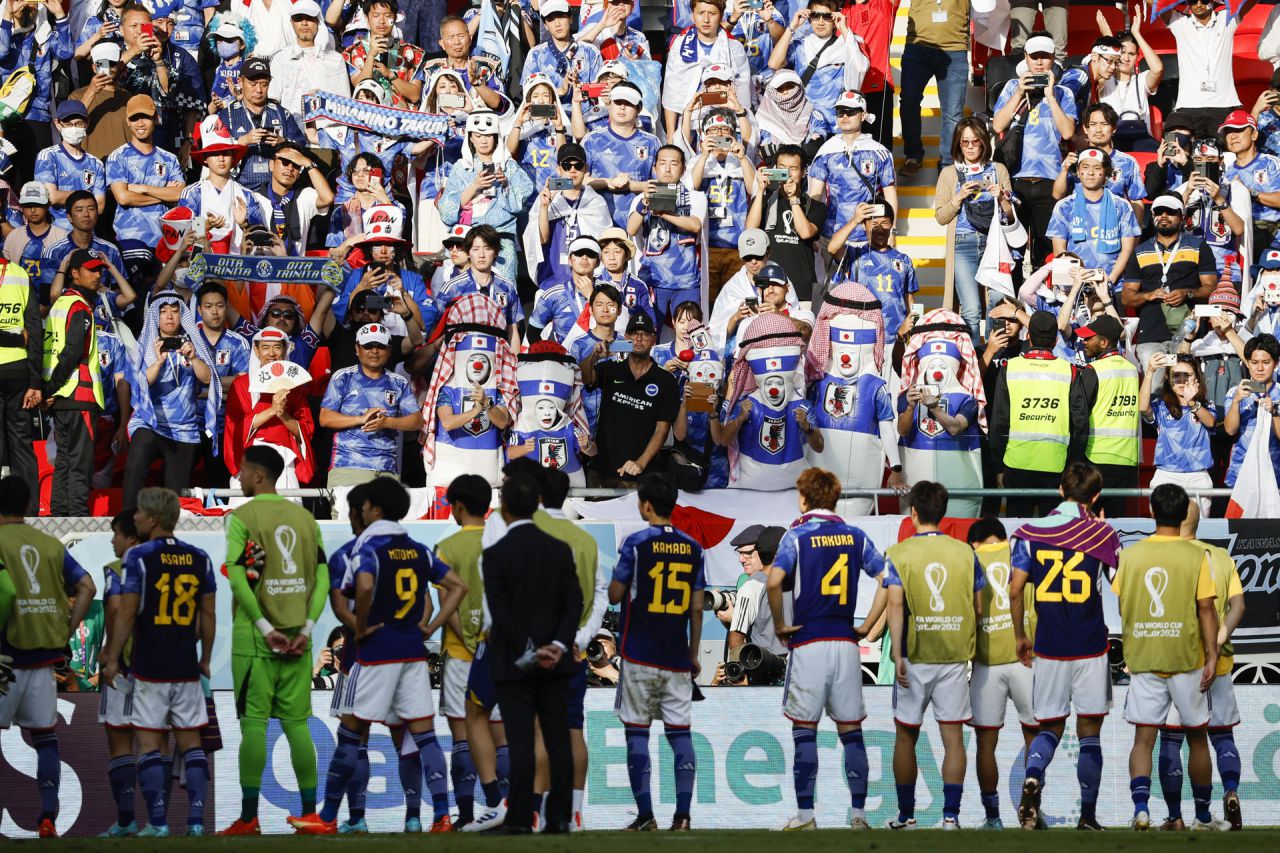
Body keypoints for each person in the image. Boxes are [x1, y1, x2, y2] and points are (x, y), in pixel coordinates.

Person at [291, 476, 467, 834]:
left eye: (359, 509)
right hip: (413, 654)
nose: (356, 514)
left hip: (372, 655)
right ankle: (440, 816)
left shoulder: (361, 550)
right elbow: (456, 588)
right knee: (423, 736)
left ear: (372, 509)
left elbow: (357, 590)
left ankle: (330, 817)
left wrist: (360, 624)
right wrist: (430, 629)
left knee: (351, 735)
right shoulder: (419, 549)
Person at [765, 468, 883, 830]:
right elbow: (889, 580)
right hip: (846, 644)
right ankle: (859, 816)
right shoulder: (855, 535)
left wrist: (782, 625)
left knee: (805, 730)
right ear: (835, 498)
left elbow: (773, 583)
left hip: (810, 642)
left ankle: (805, 817)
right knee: (851, 732)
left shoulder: (796, 536)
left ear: (804, 499)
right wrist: (865, 626)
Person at [1008, 462, 1121, 831]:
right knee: (1090, 732)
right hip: (1090, 646)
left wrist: (1020, 636)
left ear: (1060, 491)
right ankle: (1087, 816)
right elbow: (1119, 587)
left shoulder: (1030, 531)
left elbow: (1014, 588)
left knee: (1050, 728)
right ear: (1096, 496)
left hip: (1050, 646)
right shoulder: (1102, 534)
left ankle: (1035, 772)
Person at [221, 446, 328, 835]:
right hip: (300, 641)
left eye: (243, 471)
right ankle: (310, 814)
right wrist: (305, 629)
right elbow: (323, 580)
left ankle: (249, 819)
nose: (240, 478)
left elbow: (236, 576)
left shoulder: (242, 517)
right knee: (297, 725)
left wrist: (267, 629)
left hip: (255, 642)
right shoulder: (305, 518)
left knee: (253, 725)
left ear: (259, 475)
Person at [99, 487, 215, 837]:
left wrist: (114, 658)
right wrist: (205, 658)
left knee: (149, 744)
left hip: (149, 666)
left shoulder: (137, 558)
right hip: (185, 665)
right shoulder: (200, 557)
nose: (134, 517)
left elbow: (127, 610)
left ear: (152, 519)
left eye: (140, 513)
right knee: (191, 744)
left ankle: (159, 823)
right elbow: (207, 615)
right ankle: (195, 822)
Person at [1113, 483, 1221, 831]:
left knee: (1144, 738)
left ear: (1151, 512)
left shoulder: (1130, 555)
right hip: (1186, 658)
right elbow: (1207, 609)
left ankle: (1141, 809)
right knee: (1197, 737)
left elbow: (1122, 604)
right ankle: (1202, 817)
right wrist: (1212, 654)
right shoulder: (1196, 556)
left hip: (1145, 656)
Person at [482, 473, 583, 834]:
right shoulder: (559, 549)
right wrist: (556, 645)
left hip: (514, 662)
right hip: (556, 663)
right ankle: (559, 818)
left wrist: (529, 647)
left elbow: (499, 611)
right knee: (558, 740)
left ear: (504, 508)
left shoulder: (495, 554)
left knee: (521, 741)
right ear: (538, 504)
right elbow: (574, 603)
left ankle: (522, 818)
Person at [0, 475, 96, 839]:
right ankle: (47, 818)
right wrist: (66, 632)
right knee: (45, 741)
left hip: (4, 659)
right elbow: (87, 586)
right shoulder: (50, 544)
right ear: (28, 507)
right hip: (42, 660)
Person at [883, 481, 982, 830]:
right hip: (955, 654)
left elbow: (895, 604)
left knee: (906, 734)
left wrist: (896, 653)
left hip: (914, 655)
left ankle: (906, 815)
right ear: (943, 513)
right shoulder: (966, 553)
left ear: (913, 513)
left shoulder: (899, 553)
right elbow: (979, 606)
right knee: (952, 737)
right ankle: (951, 816)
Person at [609, 472, 705, 831]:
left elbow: (616, 595)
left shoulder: (635, 544)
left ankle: (646, 815)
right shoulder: (692, 548)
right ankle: (682, 817)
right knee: (680, 735)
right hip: (677, 658)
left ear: (646, 505)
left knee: (637, 734)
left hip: (638, 655)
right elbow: (697, 608)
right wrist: (694, 653)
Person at [1158, 500, 1246, 831]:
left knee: (1172, 740)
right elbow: (1238, 605)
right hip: (1219, 661)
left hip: (1179, 663)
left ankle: (1175, 816)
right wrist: (1219, 638)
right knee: (1222, 737)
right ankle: (1232, 792)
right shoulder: (1220, 557)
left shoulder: (1166, 557)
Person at [537, 468, 609, 831]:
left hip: (535, 649)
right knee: (572, 730)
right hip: (573, 649)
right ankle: (575, 812)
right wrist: (580, 640)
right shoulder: (584, 540)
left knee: (537, 732)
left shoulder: (528, 533)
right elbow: (599, 596)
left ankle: (541, 811)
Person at [966, 517, 1036, 830]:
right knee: (1034, 738)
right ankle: (1031, 812)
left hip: (986, 663)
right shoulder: (1021, 553)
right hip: (1026, 660)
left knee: (985, 744)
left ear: (974, 542)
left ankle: (992, 816)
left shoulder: (969, 559)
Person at [990, 310, 1091, 518]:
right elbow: (1080, 424)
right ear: (1055, 340)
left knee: (1018, 534)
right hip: (1056, 466)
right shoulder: (1070, 370)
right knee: (1053, 536)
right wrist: (1072, 465)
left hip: (1017, 465)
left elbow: (999, 421)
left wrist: (999, 466)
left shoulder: (1011, 368)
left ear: (1027, 336)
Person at [433, 474, 491, 831]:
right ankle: (505, 807)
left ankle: (467, 815)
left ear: (457, 506)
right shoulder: (502, 542)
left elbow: (446, 601)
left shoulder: (448, 546)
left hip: (460, 653)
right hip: (498, 653)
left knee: (462, 738)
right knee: (499, 735)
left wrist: (466, 641)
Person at [121, 293, 216, 509]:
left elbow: (208, 378)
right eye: (163, 311)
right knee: (134, 471)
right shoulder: (144, 345)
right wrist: (158, 360)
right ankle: (128, 522)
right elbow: (140, 384)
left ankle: (169, 535)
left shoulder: (194, 345)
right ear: (156, 316)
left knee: (176, 494)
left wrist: (193, 357)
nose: (170, 316)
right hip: (149, 423)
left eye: (175, 311)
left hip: (184, 428)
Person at [993, 34, 1079, 267]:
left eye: (1045, 57)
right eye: (1035, 57)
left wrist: (1050, 96)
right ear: (1026, 59)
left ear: (1053, 59)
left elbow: (1068, 132)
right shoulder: (1012, 87)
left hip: (1050, 182)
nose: (1039, 63)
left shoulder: (1063, 93)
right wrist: (1020, 93)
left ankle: (1044, 303)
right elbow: (998, 125)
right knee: (1013, 252)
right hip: (1015, 180)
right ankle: (1014, 303)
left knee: (1045, 252)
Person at [934, 118, 1016, 338]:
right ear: (958, 144)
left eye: (975, 141)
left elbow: (1012, 216)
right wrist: (959, 196)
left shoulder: (998, 170)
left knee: (998, 302)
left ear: (983, 143)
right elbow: (941, 217)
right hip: (963, 242)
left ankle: (992, 354)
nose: (970, 147)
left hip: (995, 243)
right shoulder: (949, 173)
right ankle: (973, 359)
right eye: (964, 142)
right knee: (970, 309)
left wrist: (1001, 198)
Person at [1122, 194, 1220, 374]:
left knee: (1184, 386)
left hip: (1188, 333)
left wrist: (1188, 293)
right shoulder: (1140, 251)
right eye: (1159, 212)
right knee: (1154, 390)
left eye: (1170, 212)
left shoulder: (1199, 246)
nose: (1164, 216)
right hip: (1151, 333)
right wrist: (1148, 295)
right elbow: (1126, 297)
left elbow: (1211, 287)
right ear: (1153, 216)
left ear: (1182, 217)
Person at [580, 312, 680, 486]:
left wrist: (641, 462)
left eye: (645, 334)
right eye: (634, 333)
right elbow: (584, 377)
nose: (639, 338)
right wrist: (594, 356)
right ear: (626, 338)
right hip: (602, 469)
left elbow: (662, 430)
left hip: (641, 473)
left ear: (653, 339)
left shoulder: (666, 380)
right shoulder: (611, 369)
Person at [43, 249, 106, 517]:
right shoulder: (80, 307)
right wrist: (52, 388)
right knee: (79, 465)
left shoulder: (60, 304)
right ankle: (77, 523)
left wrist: (49, 390)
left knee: (64, 463)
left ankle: (59, 519)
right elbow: (71, 353)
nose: (97, 275)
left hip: (60, 399)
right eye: (92, 270)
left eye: (99, 269)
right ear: (75, 274)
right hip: (77, 395)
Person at [319, 323, 421, 486]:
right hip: (347, 467)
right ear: (357, 349)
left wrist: (388, 422)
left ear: (389, 350)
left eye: (380, 346)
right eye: (368, 346)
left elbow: (417, 421)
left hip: (387, 470)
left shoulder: (398, 382)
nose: (374, 351)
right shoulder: (343, 377)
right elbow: (325, 418)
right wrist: (361, 419)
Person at [105, 94, 185, 288]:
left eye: (146, 117)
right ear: (127, 121)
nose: (140, 123)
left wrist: (142, 188)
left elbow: (179, 195)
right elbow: (123, 198)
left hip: (165, 241)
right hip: (130, 240)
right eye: (134, 118)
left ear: (156, 118)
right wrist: (162, 193)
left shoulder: (169, 159)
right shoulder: (118, 157)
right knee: (137, 302)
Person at [95, 509, 141, 838]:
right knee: (158, 746)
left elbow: (113, 607)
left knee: (120, 742)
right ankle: (159, 821)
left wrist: (111, 651)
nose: (113, 540)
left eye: (116, 534)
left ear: (131, 537)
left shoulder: (117, 570)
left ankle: (126, 821)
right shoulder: (169, 563)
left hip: (124, 665)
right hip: (164, 666)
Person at [1046, 149, 1141, 294]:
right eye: (1085, 167)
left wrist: (1110, 279)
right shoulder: (1064, 206)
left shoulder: (1121, 206)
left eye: (1097, 168)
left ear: (1106, 174)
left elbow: (1127, 249)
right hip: (1075, 285)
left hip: (1113, 285)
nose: (1090, 173)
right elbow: (1060, 250)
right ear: (1078, 172)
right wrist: (1077, 280)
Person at [1076, 314, 1140, 519]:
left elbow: (1079, 413)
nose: (1084, 342)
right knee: (1117, 520)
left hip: (1097, 457)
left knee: (1089, 520)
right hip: (1126, 459)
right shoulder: (1132, 370)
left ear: (1104, 343)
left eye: (1089, 338)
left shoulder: (1093, 369)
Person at [1161, 0, 1255, 138]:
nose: (1198, 4)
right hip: (1187, 105)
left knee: (1229, 156)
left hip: (1225, 104)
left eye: (1204, 0)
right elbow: (1155, 3)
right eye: (1193, 1)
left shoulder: (1226, 18)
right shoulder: (1180, 22)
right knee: (1173, 148)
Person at [746, 144, 825, 303]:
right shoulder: (763, 200)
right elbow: (750, 231)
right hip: (769, 286)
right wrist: (760, 190)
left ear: (803, 172)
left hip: (800, 286)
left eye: (793, 168)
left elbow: (805, 233)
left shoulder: (816, 206)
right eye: (782, 168)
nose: (787, 174)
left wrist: (794, 199)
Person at [897, 0, 967, 176]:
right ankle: (913, 155)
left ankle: (948, 165)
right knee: (909, 102)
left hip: (955, 47)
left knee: (953, 112)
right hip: (917, 46)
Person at [1140, 355, 1216, 516]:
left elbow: (1210, 422)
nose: (1182, 381)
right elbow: (1142, 408)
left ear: (1197, 378)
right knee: (1164, 532)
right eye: (1176, 376)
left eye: (1187, 375)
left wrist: (1192, 403)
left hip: (1198, 477)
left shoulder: (1206, 405)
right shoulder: (1160, 406)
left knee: (1199, 533)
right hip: (1166, 475)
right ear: (1168, 380)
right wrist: (1149, 372)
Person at [583, 81, 660, 231]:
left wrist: (633, 186)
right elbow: (579, 181)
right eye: (618, 102)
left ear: (639, 109)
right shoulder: (591, 140)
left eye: (628, 103)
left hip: (640, 226)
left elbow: (660, 186)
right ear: (609, 104)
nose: (622, 107)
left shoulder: (651, 142)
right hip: (599, 223)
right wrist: (608, 182)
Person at [0, 257, 40, 512]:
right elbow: (34, 329)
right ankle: (30, 511)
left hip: (16, 371)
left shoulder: (18, 273)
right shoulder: (19, 273)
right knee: (22, 443)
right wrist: (35, 380)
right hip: (19, 370)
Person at [269, 1, 352, 119]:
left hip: (326, 132)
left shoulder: (335, 60)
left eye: (309, 18)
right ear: (292, 23)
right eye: (298, 18)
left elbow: (344, 105)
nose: (304, 23)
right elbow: (273, 102)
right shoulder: (281, 58)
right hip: (291, 132)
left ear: (318, 21)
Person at [35, 99, 107, 233]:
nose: (74, 129)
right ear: (58, 124)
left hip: (88, 236)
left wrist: (66, 195)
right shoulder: (48, 156)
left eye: (79, 123)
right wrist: (87, 194)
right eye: (68, 124)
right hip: (57, 234)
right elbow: (52, 197)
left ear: (87, 123)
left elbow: (100, 205)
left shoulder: (96, 163)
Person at [1220, 110, 1280, 265]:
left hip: (1271, 234)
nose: (1232, 136)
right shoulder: (1225, 170)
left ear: (1254, 135)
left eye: (1239, 130)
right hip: (1236, 235)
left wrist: (1250, 193)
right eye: (1228, 132)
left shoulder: (1271, 163)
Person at [343, 0, 426, 109]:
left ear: (395, 18)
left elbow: (415, 96)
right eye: (376, 15)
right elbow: (360, 87)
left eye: (387, 15)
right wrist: (371, 56)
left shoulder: (411, 53)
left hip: (403, 119)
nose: (382, 21)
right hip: (369, 117)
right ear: (367, 18)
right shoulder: (353, 53)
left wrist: (390, 75)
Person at [1222, 334, 1280, 489]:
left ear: (1276, 363)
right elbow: (1230, 430)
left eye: (1266, 362)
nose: (1260, 368)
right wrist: (1236, 402)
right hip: (1240, 474)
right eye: (1254, 363)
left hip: (1274, 476)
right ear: (1247, 363)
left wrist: (1274, 412)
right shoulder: (1235, 392)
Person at [726, 525, 788, 668]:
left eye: (747, 553)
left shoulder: (795, 583)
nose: (741, 559)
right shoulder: (751, 587)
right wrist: (742, 677)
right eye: (739, 553)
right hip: (766, 673)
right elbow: (736, 639)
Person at [4, 183, 66, 292]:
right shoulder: (13, 237)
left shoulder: (63, 237)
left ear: (47, 205)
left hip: (54, 301)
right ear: (22, 207)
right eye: (28, 205)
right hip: (20, 298)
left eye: (37, 204)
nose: (32, 210)